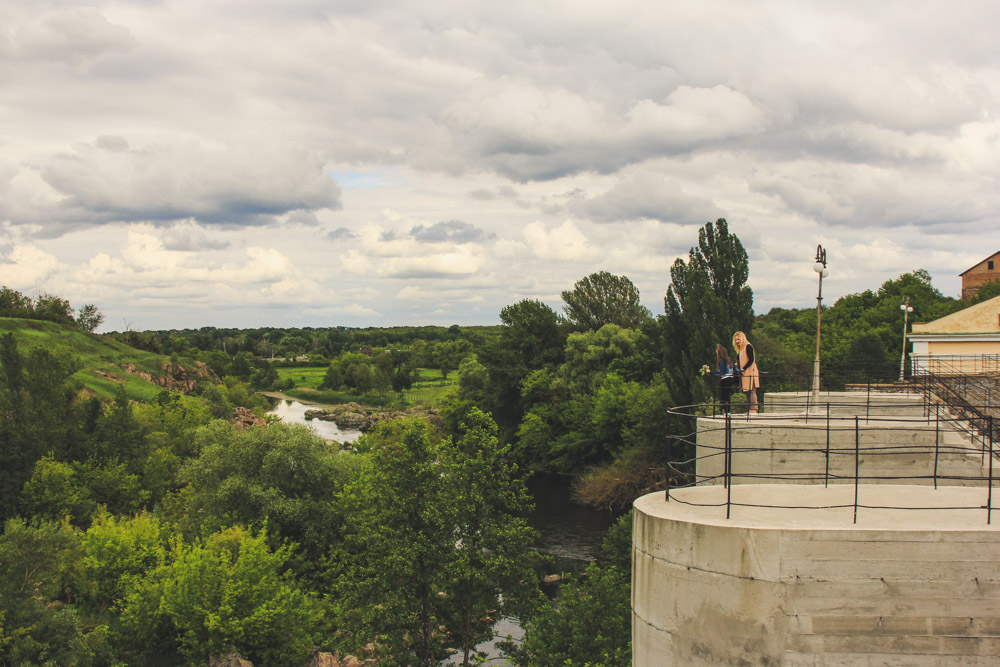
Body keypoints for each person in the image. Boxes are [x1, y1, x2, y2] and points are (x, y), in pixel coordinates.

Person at [733, 331, 759, 414]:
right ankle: (750, 409)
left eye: (738, 339)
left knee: (751, 390)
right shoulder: (740, 349)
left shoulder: (748, 346)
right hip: (744, 372)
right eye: (736, 340)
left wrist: (744, 368)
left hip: (750, 371)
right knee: (747, 390)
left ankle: (753, 409)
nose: (737, 341)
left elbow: (751, 359)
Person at [712, 343, 738, 415]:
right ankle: (728, 411)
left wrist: (711, 372)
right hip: (730, 378)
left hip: (725, 379)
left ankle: (726, 411)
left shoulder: (722, 361)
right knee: (727, 395)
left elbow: (721, 372)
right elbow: (735, 369)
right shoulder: (730, 359)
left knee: (724, 396)